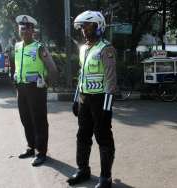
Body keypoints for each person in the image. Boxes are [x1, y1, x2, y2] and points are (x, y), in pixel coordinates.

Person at [67, 11, 116, 188]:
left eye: (87, 26)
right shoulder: (84, 49)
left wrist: (107, 108)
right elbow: (82, 76)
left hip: (100, 99)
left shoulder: (106, 48)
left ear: (98, 26)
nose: (84, 30)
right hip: (84, 99)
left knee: (103, 137)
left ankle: (105, 178)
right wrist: (75, 99)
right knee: (82, 135)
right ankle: (83, 170)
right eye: (82, 27)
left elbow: (111, 80)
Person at [14, 15, 58, 166]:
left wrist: (46, 84)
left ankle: (41, 152)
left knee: (39, 120)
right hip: (22, 88)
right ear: (18, 29)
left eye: (27, 28)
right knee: (25, 118)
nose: (24, 31)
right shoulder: (17, 46)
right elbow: (17, 66)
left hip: (36, 89)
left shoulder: (39, 47)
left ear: (33, 30)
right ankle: (31, 147)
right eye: (22, 28)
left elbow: (53, 69)